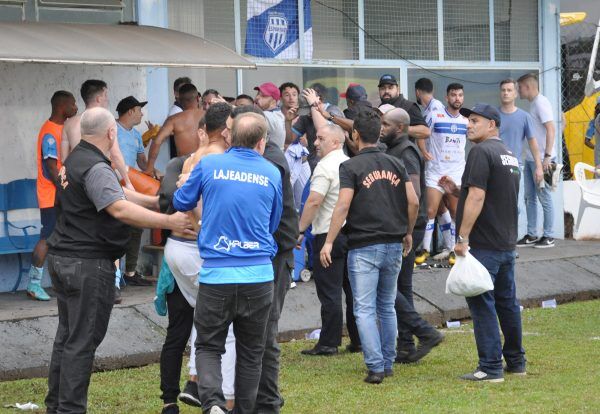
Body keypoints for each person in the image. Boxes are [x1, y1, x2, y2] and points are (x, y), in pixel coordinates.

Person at [45, 107, 192, 414]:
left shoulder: (76, 159)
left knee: (67, 338)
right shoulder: (96, 167)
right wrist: (170, 222)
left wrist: (156, 201)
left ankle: (56, 405)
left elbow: (120, 193)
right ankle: (70, 409)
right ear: (111, 133)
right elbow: (119, 208)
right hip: (86, 264)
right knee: (81, 342)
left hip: (63, 259)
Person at [173, 112, 282, 414]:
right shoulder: (271, 172)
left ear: (229, 138)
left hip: (217, 274)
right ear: (262, 143)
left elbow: (181, 202)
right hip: (259, 275)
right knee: (251, 351)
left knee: (208, 345)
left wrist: (188, 185)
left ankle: (213, 404)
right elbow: (272, 223)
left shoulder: (208, 164)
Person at [321, 109, 419, 384]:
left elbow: (342, 205)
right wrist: (408, 232)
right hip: (393, 242)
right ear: (379, 134)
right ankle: (387, 363)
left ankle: (375, 366)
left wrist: (328, 241)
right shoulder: (395, 163)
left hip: (363, 245)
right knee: (386, 306)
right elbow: (413, 201)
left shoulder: (350, 166)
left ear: (355, 134)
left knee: (364, 308)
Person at [440, 103, 525, 382]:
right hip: (505, 243)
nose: (469, 125)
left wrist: (462, 237)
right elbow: (490, 194)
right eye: (468, 121)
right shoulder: (508, 153)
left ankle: (490, 367)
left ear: (492, 124)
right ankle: (516, 362)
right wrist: (456, 191)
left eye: (475, 120)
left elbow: (477, 197)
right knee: (507, 304)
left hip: (484, 245)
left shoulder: (480, 151)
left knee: (482, 303)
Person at [160, 103, 237, 414]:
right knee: (225, 324)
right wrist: (204, 225)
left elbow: (181, 195)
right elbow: (186, 201)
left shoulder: (196, 157)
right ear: (225, 129)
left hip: (181, 249)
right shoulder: (215, 159)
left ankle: (195, 382)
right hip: (195, 249)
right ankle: (221, 398)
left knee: (204, 313)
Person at [229, 106, 300, 414]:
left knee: (264, 331)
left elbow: (264, 216)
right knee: (252, 329)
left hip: (274, 254)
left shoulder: (268, 161)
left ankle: (268, 402)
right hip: (265, 252)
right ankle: (257, 398)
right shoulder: (259, 157)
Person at [380, 108, 444, 363]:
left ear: (399, 128)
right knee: (401, 286)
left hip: (409, 227)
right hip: (404, 227)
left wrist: (405, 231)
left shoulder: (406, 152)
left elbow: (414, 196)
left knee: (390, 286)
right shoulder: (394, 150)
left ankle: (423, 331)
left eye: (385, 124)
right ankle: (406, 344)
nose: (381, 128)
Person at [298, 124, 361, 356]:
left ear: (336, 142)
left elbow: (314, 201)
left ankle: (328, 343)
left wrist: (300, 229)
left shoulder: (324, 167)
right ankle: (359, 339)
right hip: (351, 235)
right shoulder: (350, 164)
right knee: (353, 291)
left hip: (327, 235)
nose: (315, 142)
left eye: (321, 138)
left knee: (330, 292)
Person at [27, 91, 78, 301]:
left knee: (62, 239)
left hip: (58, 195)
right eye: (73, 104)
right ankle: (33, 283)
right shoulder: (50, 131)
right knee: (47, 238)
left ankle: (66, 282)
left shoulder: (61, 128)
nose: (76, 108)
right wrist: (65, 190)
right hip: (51, 196)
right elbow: (51, 168)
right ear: (62, 106)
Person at [416, 83, 468, 265]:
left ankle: (453, 250)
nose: (457, 99)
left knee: (455, 212)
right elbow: (421, 134)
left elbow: (477, 139)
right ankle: (425, 250)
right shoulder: (435, 115)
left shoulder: (466, 121)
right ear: (447, 97)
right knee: (430, 211)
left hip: (456, 172)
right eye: (453, 95)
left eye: (460, 95)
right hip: (435, 172)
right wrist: (424, 151)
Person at [60, 79, 133, 190]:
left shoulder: (69, 123)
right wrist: (127, 182)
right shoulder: (107, 121)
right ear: (99, 98)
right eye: (105, 95)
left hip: (76, 180)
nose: (107, 99)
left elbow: (64, 159)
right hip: (99, 176)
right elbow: (115, 154)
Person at [115, 95, 155, 287]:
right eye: (139, 110)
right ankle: (114, 275)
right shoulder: (111, 129)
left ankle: (130, 272)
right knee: (114, 228)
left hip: (133, 186)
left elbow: (141, 161)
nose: (141, 114)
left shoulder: (137, 134)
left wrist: (151, 171)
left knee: (136, 227)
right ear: (130, 111)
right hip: (113, 185)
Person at [497, 79, 544, 238]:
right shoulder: (494, 117)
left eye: (509, 90)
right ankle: (496, 240)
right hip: (495, 166)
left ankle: (510, 240)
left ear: (516, 93)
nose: (506, 93)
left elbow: (533, 144)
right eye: (503, 90)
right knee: (495, 204)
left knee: (513, 206)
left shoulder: (524, 117)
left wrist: (538, 166)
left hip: (514, 167)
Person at [517, 73, 557, 248]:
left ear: (528, 86)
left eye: (520, 87)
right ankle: (532, 233)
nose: (519, 91)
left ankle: (549, 235)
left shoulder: (541, 103)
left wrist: (547, 157)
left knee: (544, 197)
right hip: (531, 158)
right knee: (529, 197)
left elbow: (551, 129)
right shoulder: (534, 104)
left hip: (542, 159)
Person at [144, 83, 205, 175]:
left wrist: (149, 168)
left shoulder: (174, 120)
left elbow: (157, 141)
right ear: (197, 98)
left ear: (179, 101)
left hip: (185, 168)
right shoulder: (209, 115)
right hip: (207, 165)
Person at [377, 74, 430, 141]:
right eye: (383, 88)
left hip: (402, 150)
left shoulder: (408, 106)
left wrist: (402, 128)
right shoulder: (379, 109)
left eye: (390, 88)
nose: (386, 91)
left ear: (398, 89)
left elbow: (426, 132)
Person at [254, 82, 286, 151]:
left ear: (273, 102)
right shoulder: (277, 114)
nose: (257, 98)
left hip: (271, 160)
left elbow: (243, 115)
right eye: (258, 94)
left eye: (263, 96)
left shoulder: (270, 116)